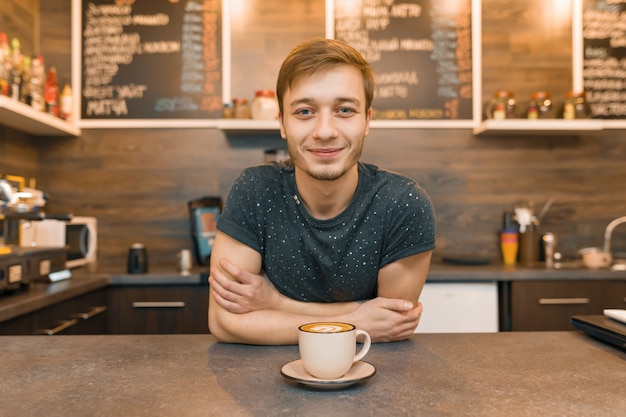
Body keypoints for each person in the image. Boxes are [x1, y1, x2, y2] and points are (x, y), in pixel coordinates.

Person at [208, 38, 436, 345]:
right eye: (304, 111)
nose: (325, 131)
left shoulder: (403, 204)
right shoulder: (255, 191)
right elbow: (225, 322)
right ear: (282, 123)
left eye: (344, 109)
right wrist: (356, 320)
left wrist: (275, 305)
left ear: (367, 120)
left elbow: (389, 324)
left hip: (372, 381)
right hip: (263, 385)